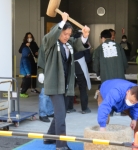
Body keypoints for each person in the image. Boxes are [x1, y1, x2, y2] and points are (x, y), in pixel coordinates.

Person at [41, 12, 90, 150]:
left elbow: (79, 44)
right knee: (61, 115)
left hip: (64, 85)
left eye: (69, 34)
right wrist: (62, 22)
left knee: (59, 114)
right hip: (54, 84)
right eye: (64, 34)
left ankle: (50, 137)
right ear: (58, 32)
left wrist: (85, 35)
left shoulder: (68, 44)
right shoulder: (50, 43)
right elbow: (50, 36)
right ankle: (61, 146)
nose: (67, 37)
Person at [66, 31, 92, 114]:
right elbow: (88, 59)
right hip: (81, 68)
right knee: (83, 88)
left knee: (70, 88)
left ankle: (69, 107)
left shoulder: (69, 43)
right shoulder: (83, 45)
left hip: (71, 67)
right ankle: (84, 109)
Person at [37, 45, 54, 122]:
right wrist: (41, 73)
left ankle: (50, 111)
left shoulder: (55, 45)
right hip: (45, 73)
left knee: (50, 94)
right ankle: (42, 114)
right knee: (44, 95)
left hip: (52, 74)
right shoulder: (44, 46)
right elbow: (41, 61)